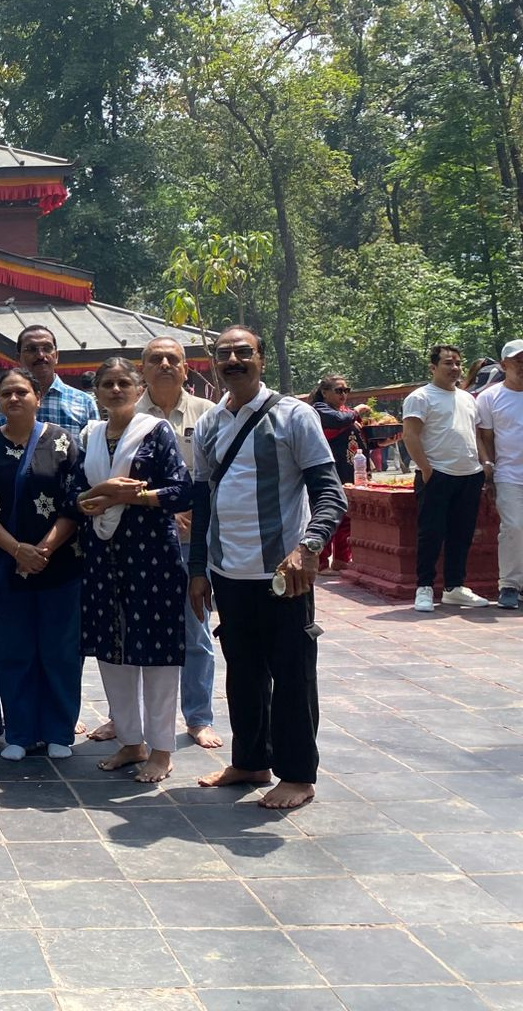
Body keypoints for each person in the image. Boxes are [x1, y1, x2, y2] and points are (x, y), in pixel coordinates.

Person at [190, 326, 346, 810]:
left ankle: (297, 775)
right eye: (224, 353)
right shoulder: (210, 423)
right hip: (228, 572)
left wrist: (308, 547)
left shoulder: (293, 415)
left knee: (292, 673)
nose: (233, 360)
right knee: (243, 672)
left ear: (261, 359)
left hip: (283, 573)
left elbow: (330, 492)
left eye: (244, 352)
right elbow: (202, 501)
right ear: (215, 363)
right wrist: (198, 569)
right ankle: (251, 760)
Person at [77, 359, 192, 783]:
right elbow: (75, 495)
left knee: (157, 654)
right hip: (103, 556)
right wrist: (102, 493)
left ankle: (161, 749)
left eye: (123, 382)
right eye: (107, 383)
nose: (115, 389)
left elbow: (181, 490)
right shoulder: (90, 435)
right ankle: (130, 741)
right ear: (96, 391)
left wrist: (130, 498)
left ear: (138, 387)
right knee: (113, 651)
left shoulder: (155, 431)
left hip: (152, 556)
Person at [0, 367, 85, 762]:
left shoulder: (64, 441)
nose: (14, 399)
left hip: (59, 565)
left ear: (38, 397)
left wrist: (43, 550)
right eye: (6, 394)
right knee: (13, 651)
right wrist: (18, 550)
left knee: (60, 651)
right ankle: (19, 731)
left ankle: (58, 731)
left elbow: (75, 503)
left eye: (22, 392)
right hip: (7, 567)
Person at [135, 336, 222, 750]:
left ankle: (198, 717)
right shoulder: (129, 416)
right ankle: (125, 720)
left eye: (174, 359)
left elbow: (216, 478)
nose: (165, 365)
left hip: (194, 542)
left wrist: (192, 515)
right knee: (135, 630)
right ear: (143, 369)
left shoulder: (208, 414)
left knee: (196, 632)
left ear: (186, 368)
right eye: (156, 359)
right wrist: (166, 510)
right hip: (142, 541)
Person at [403, 344, 490, 611]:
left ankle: (454, 587)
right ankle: (424, 588)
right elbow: (410, 435)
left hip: (470, 474)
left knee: (462, 534)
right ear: (433, 367)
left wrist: (484, 462)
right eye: (448, 363)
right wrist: (427, 470)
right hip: (437, 474)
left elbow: (475, 434)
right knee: (431, 533)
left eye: (458, 363)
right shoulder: (420, 397)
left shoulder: (467, 398)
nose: (455, 368)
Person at [0, 325, 99, 434]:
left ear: (56, 356)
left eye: (47, 348)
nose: (41, 355)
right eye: (31, 349)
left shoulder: (84, 402)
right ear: (18, 358)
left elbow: (94, 447)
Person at [477, 339, 523, 610]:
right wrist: (488, 470)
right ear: (504, 365)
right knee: (514, 527)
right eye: (518, 361)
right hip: (508, 474)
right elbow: (485, 437)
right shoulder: (490, 397)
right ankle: (509, 584)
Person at [310, 374, 371, 571]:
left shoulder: (346, 413)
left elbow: (359, 441)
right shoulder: (320, 410)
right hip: (329, 472)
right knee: (327, 516)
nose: (343, 394)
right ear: (324, 392)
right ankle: (321, 563)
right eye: (338, 390)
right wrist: (356, 411)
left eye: (346, 390)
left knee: (347, 519)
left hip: (350, 471)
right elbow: (337, 421)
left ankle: (342, 560)